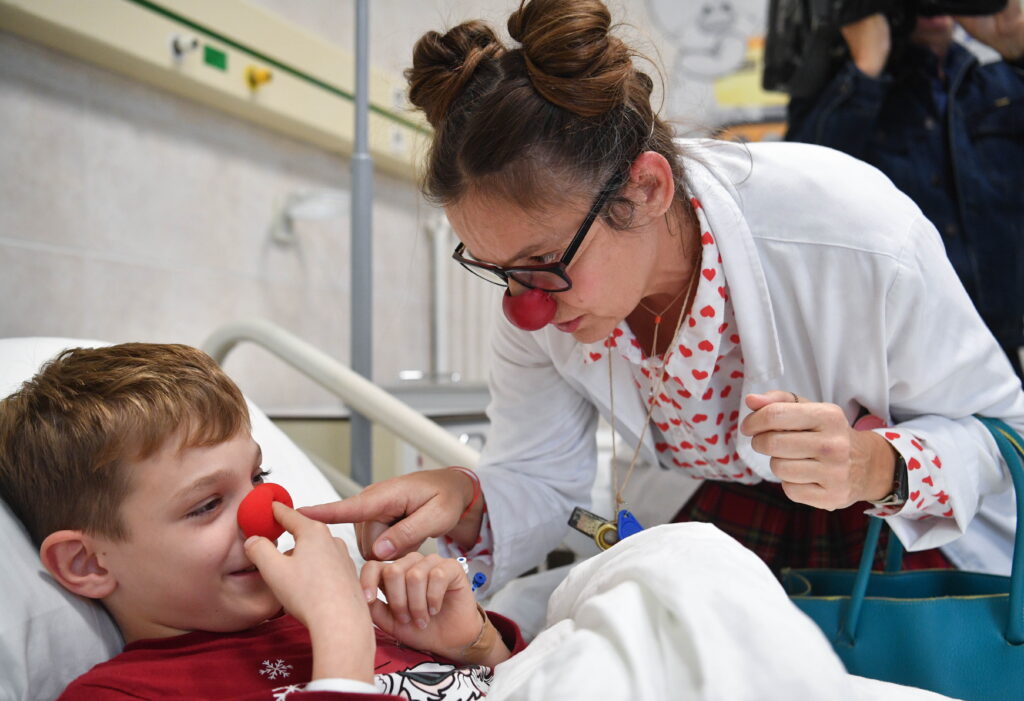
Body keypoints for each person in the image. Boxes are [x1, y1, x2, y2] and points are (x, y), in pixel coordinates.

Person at [302, 0, 1024, 591]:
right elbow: (541, 475)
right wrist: (471, 499)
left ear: (646, 188)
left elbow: (1006, 435)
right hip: (707, 533)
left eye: (541, 262)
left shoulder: (852, 229)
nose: (526, 307)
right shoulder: (542, 292)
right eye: (498, 269)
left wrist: (878, 464)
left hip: (886, 546)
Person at [0, 343, 523, 700]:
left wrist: (476, 645)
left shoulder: (380, 621)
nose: (265, 518)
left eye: (259, 475)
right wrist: (340, 636)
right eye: (206, 505)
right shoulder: (126, 694)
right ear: (87, 562)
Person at [786, 3, 1024, 379]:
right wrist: (865, 67)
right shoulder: (845, 93)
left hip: (999, 345)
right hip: (893, 360)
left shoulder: (1001, 86)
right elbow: (798, 191)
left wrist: (1015, 45)